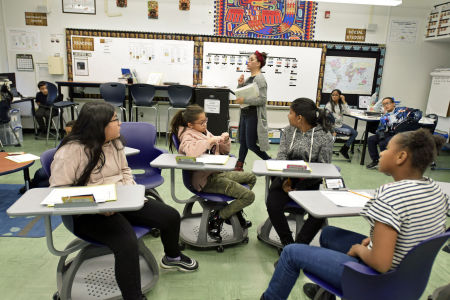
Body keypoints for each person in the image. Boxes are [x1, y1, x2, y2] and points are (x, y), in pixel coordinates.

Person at [261, 128, 448, 300]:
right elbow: (412, 235)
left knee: (291, 253)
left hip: (377, 281)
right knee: (328, 234)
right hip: (410, 280)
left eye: (387, 149)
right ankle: (325, 294)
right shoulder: (436, 191)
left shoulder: (391, 194)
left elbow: (380, 263)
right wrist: (374, 241)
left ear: (401, 156)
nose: (381, 153)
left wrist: (361, 250)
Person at [50, 102, 198, 300]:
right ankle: (133, 297)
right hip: (87, 213)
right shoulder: (71, 151)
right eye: (115, 120)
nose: (120, 124)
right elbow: (59, 192)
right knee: (127, 243)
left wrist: (129, 192)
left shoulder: (115, 143)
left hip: (122, 201)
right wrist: (99, 208)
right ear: (98, 124)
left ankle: (172, 257)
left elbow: (125, 171)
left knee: (170, 216)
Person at [169, 104, 257, 242]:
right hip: (205, 180)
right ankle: (218, 217)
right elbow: (191, 152)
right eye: (201, 122)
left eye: (206, 121)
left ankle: (233, 210)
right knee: (249, 196)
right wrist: (209, 142)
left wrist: (225, 140)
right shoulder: (187, 136)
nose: (205, 124)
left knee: (251, 178)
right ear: (190, 124)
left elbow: (224, 151)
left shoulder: (204, 132)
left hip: (217, 173)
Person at [266, 98, 333, 247]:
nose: (288, 116)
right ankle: (287, 243)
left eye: (290, 113)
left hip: (310, 182)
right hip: (286, 179)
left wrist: (301, 188)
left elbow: (323, 166)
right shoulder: (288, 131)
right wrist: (285, 181)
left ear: (299, 118)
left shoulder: (325, 137)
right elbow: (281, 156)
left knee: (320, 212)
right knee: (272, 204)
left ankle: (298, 246)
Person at [234, 50, 271, 171]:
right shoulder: (250, 78)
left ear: (258, 63)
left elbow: (262, 99)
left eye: (251, 60)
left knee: (250, 144)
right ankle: (239, 165)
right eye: (248, 59)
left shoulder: (259, 79)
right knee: (243, 141)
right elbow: (243, 94)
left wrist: (244, 100)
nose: (248, 62)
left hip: (253, 115)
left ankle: (269, 161)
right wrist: (240, 85)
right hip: (245, 114)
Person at [366, 97, 422, 169]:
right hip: (391, 132)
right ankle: (376, 161)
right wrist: (380, 134)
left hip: (402, 133)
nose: (386, 106)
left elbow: (418, 112)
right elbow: (381, 128)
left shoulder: (402, 110)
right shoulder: (385, 116)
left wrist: (413, 118)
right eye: (383, 104)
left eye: (387, 103)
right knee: (371, 139)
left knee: (383, 143)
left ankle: (389, 164)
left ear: (393, 104)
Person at [325, 89, 358, 160]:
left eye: (336, 95)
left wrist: (344, 101)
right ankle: (342, 149)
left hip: (340, 124)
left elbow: (349, 112)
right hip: (333, 126)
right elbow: (327, 120)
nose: (334, 96)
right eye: (333, 95)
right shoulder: (329, 105)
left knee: (355, 133)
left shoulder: (341, 105)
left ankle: (344, 149)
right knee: (349, 132)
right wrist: (332, 130)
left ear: (340, 96)